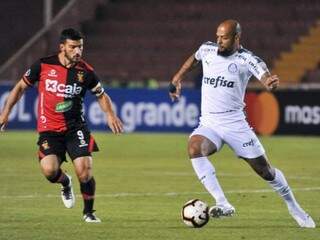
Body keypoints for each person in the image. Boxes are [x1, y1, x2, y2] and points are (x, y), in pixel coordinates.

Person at [169, 19, 315, 228]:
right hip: (209, 123)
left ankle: (294, 208)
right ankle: (223, 202)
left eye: (224, 37)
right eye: (218, 36)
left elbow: (263, 73)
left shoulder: (246, 59)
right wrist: (177, 78)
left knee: (265, 171)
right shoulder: (207, 49)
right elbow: (194, 58)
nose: (219, 41)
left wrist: (268, 82)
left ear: (237, 38)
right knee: (194, 147)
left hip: (236, 125)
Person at [0, 28, 123, 223]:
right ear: (62, 47)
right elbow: (20, 87)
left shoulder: (86, 72)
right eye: (73, 47)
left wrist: (110, 115)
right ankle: (65, 183)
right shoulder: (43, 65)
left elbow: (101, 94)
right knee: (49, 171)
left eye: (80, 47)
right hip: (49, 130)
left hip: (76, 128)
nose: (78, 51)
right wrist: (6, 112)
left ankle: (89, 213)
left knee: (85, 170)